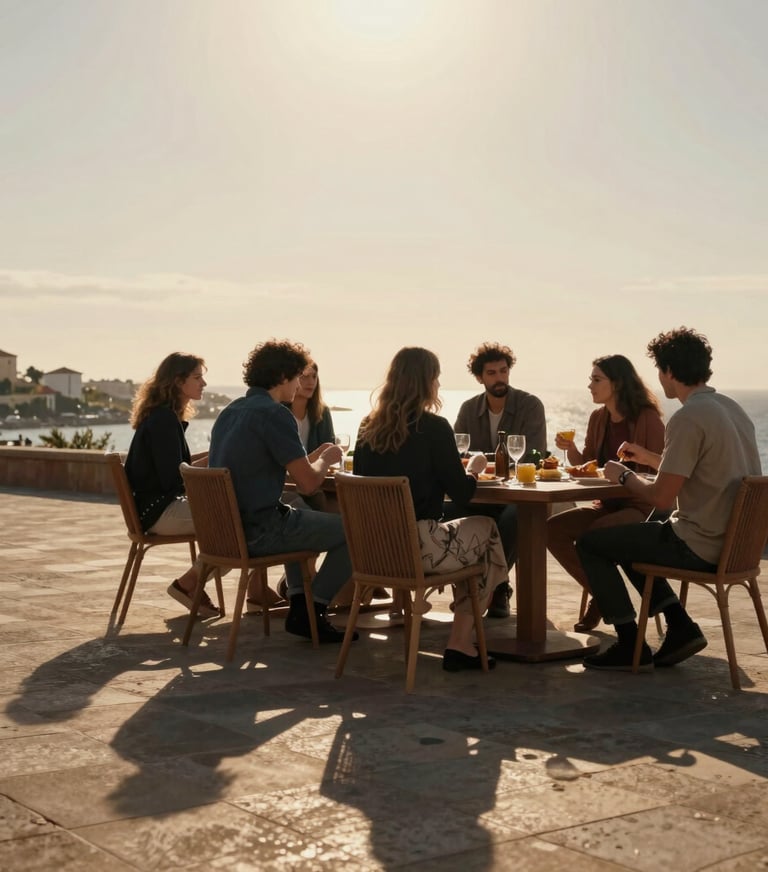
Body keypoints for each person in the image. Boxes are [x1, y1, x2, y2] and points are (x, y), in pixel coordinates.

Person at [576, 327, 762, 672]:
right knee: (634, 540)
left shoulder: (688, 417)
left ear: (669, 372)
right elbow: (704, 471)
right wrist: (650, 459)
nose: (659, 379)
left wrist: (625, 476)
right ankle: (680, 627)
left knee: (591, 543)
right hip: (735, 545)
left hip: (700, 545)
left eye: (660, 371)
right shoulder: (730, 409)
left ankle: (630, 642)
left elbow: (661, 495)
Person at [354, 346, 507, 672]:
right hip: (418, 547)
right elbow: (463, 494)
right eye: (436, 378)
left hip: (375, 549)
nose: (438, 385)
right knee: (488, 531)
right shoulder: (434, 428)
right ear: (426, 383)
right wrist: (475, 468)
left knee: (468, 537)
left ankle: (462, 637)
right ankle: (460, 643)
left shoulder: (367, 428)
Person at [208, 339, 355, 644]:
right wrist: (327, 459)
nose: (302, 383)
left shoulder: (231, 412)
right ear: (283, 376)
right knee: (358, 531)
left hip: (227, 531)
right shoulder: (275, 415)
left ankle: (301, 604)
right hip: (261, 531)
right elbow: (309, 484)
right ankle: (313, 608)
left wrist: (313, 460)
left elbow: (285, 468)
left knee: (295, 514)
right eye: (299, 376)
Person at [547, 354, 666, 632]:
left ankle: (610, 602)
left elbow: (663, 468)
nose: (590, 385)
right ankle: (603, 596)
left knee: (593, 536)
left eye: (596, 379)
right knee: (551, 530)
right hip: (605, 505)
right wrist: (571, 450)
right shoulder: (598, 418)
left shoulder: (647, 419)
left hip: (639, 507)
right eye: (591, 379)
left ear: (618, 384)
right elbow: (589, 465)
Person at [449, 341, 547, 618]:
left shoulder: (529, 405)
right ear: (480, 378)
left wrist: (482, 461)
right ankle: (469, 585)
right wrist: (485, 463)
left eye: (503, 371)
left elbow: (535, 455)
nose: (499, 378)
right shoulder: (469, 409)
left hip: (521, 494)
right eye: (491, 373)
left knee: (513, 520)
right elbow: (457, 455)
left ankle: (497, 587)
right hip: (483, 493)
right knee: (449, 513)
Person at [124, 352, 219, 618]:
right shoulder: (164, 420)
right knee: (236, 525)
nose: (203, 384)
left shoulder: (162, 417)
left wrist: (214, 457)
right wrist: (215, 464)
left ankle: (190, 584)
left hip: (152, 509)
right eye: (197, 377)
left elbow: (178, 467)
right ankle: (187, 584)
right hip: (158, 512)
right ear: (178, 381)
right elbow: (176, 479)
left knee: (234, 522)